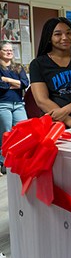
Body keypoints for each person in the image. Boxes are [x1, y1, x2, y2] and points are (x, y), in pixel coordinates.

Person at [29, 17, 71, 128]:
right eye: (58, 34)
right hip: (56, 125)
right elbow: (42, 100)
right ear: (49, 37)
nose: (65, 37)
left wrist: (66, 110)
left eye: (69, 33)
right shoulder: (37, 64)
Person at [0, 41, 29, 175]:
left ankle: (21, 160)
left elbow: (25, 83)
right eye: (6, 50)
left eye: (11, 50)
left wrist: (7, 80)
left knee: (23, 131)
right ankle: (4, 162)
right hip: (3, 104)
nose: (9, 52)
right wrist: (12, 84)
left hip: (18, 104)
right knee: (6, 133)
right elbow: (1, 86)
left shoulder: (18, 67)